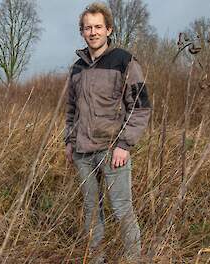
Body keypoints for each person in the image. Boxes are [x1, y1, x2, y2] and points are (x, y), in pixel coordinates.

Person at [64, 2, 151, 263]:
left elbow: (140, 106)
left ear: (109, 29)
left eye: (98, 27)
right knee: (91, 209)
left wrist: (124, 145)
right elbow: (71, 110)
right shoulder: (77, 68)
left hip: (113, 150)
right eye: (88, 28)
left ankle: (133, 259)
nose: (93, 32)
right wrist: (69, 141)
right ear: (82, 32)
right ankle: (95, 259)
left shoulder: (124, 61)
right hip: (82, 153)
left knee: (122, 208)